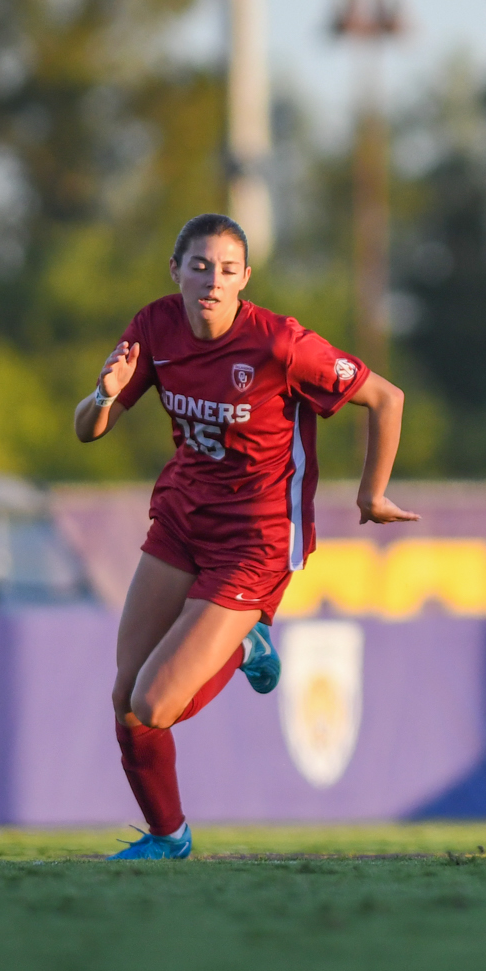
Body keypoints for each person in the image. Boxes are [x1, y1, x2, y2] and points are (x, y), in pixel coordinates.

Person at [77, 213, 417, 859]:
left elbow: (387, 396)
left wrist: (372, 492)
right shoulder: (155, 327)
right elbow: (86, 430)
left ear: (245, 279)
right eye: (200, 265)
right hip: (182, 516)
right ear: (175, 269)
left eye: (227, 269)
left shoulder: (281, 344)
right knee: (125, 697)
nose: (212, 279)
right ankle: (167, 837)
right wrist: (103, 394)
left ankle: (245, 642)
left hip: (256, 537)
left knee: (152, 704)